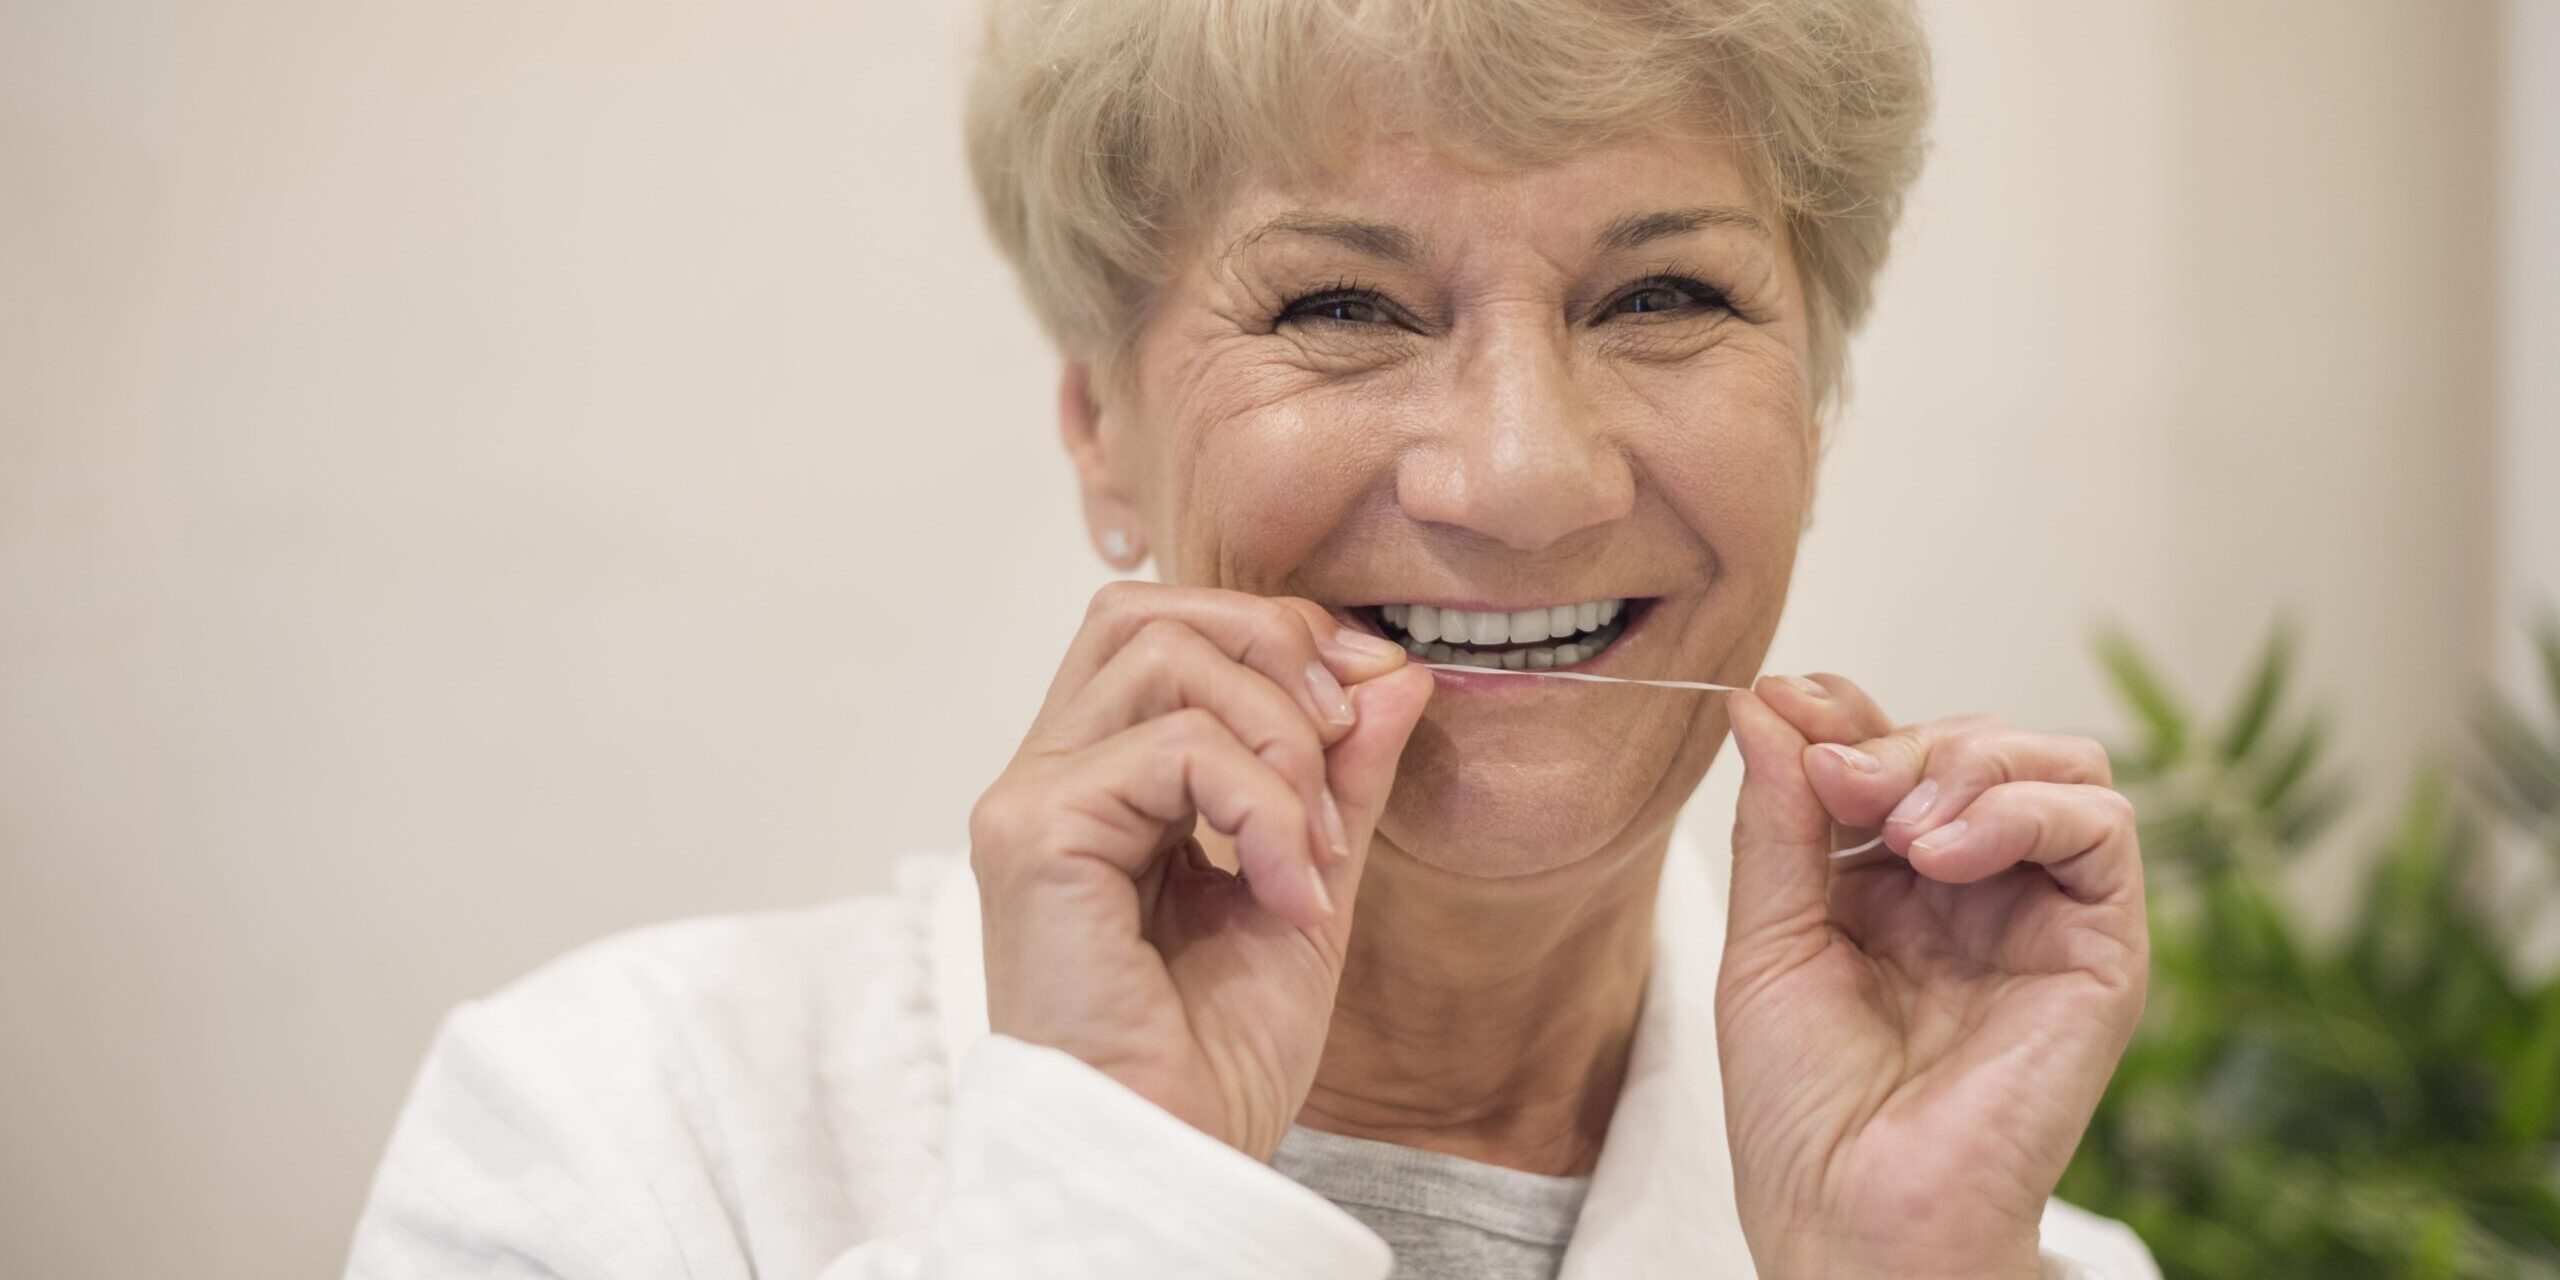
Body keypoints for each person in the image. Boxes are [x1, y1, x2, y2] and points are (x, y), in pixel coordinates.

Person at [348, 1, 2157, 1276]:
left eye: (1664, 295)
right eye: (1343, 305)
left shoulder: (1987, 1251)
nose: (1523, 478)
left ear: (1816, 413)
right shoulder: (615, 1133)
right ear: (1101, 436)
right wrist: (1105, 1194)